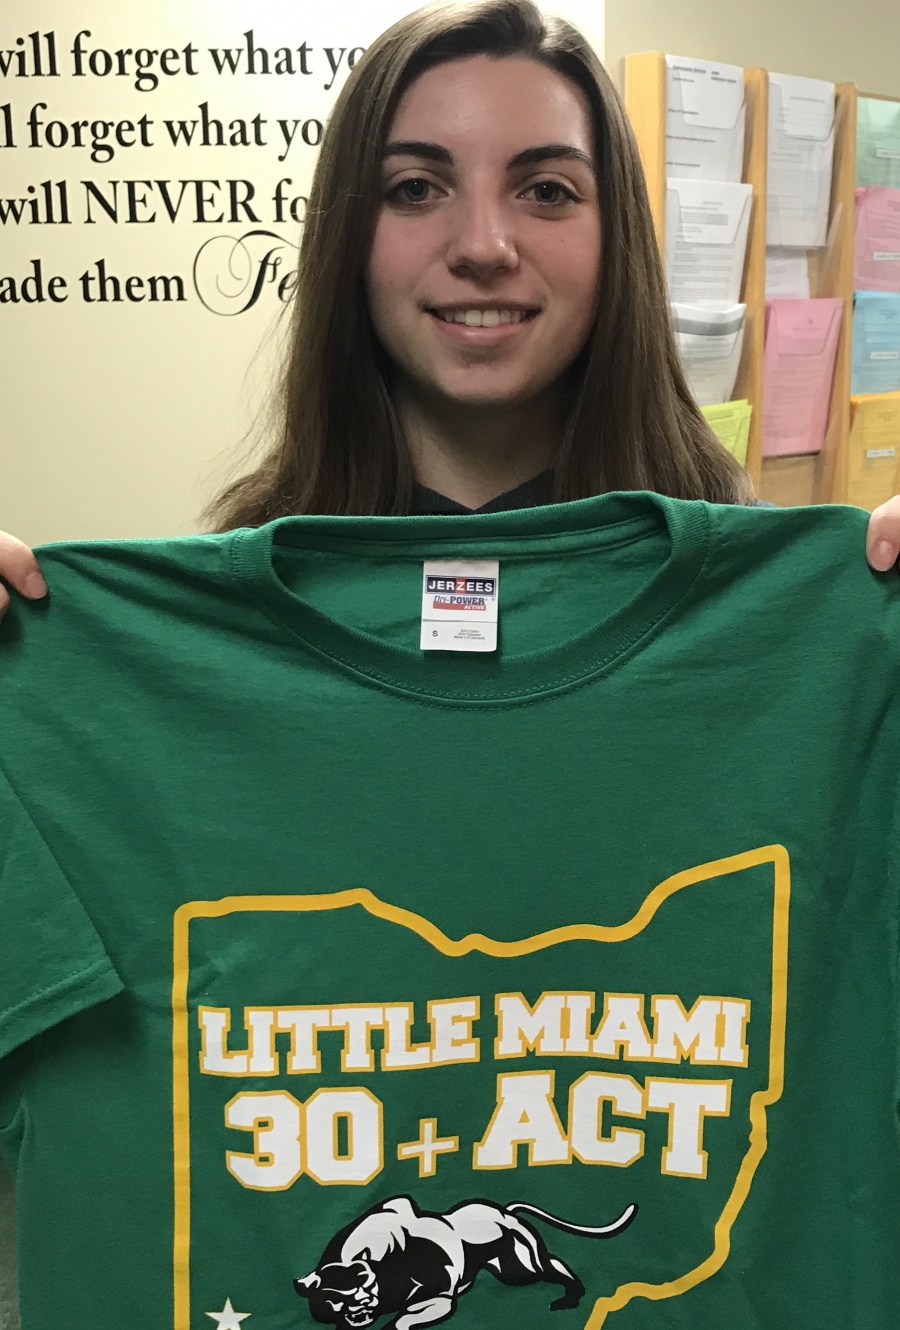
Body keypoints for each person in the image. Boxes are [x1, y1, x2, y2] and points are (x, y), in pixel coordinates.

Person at [2, 0, 899, 618]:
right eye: (417, 187)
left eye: (546, 190)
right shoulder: (239, 601)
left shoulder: (768, 599)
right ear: (349, 234)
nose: (482, 245)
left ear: (615, 236)